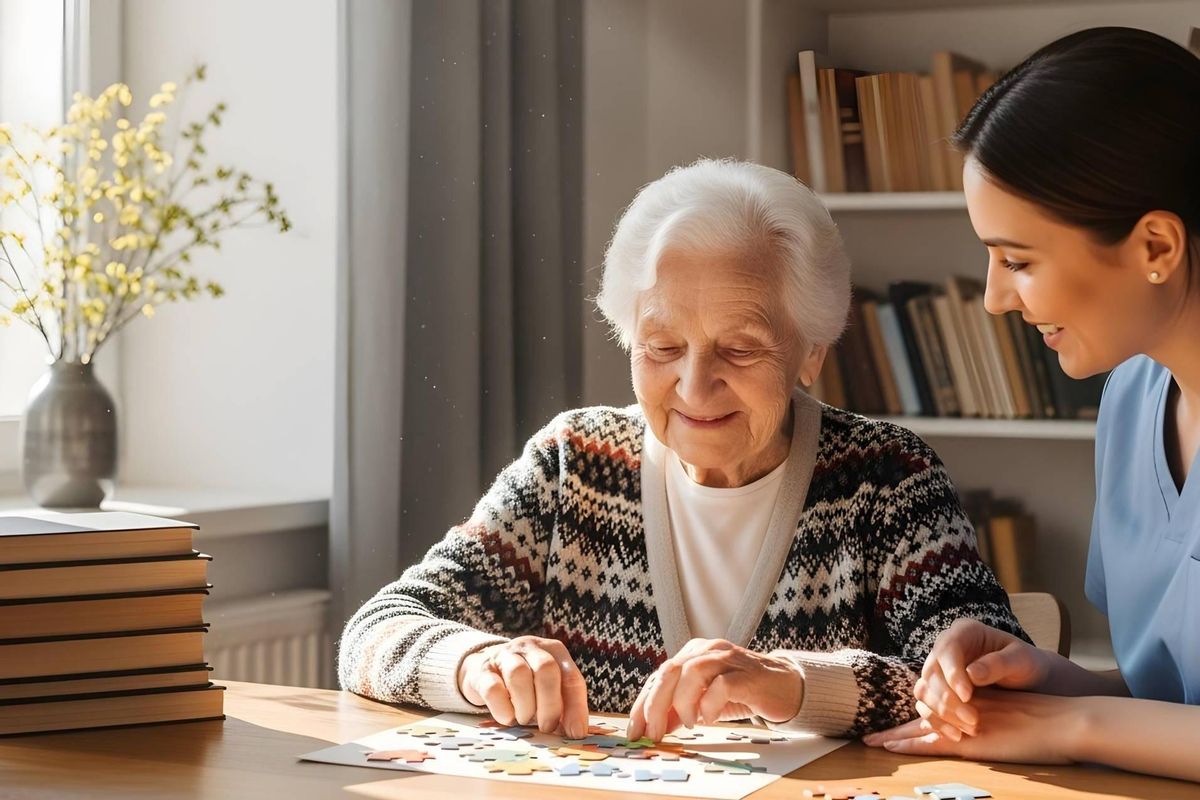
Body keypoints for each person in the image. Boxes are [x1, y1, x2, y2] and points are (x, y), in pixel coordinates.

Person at [338, 157, 1024, 742]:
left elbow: (992, 688)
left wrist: (789, 684)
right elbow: (376, 631)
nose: (694, 387)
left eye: (741, 349)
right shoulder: (573, 463)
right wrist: (475, 663)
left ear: (812, 350)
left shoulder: (887, 478)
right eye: (663, 346)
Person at [864, 27, 1200, 782]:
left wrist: (1073, 723)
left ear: (1156, 246)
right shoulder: (1131, 399)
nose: (993, 298)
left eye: (1016, 259)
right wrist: (1047, 681)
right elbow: (1171, 702)